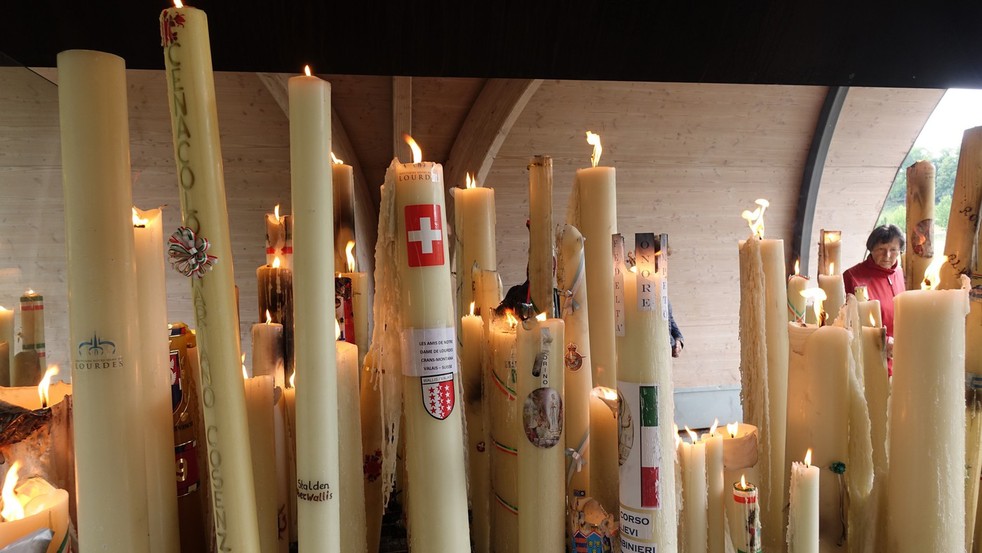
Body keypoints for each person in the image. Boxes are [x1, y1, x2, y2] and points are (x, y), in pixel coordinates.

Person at [842, 224, 905, 358]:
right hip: (873, 353)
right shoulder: (853, 276)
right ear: (871, 249)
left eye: (893, 250)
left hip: (901, 351)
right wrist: (884, 341)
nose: (887, 255)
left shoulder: (898, 272)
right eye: (881, 249)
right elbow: (853, 321)